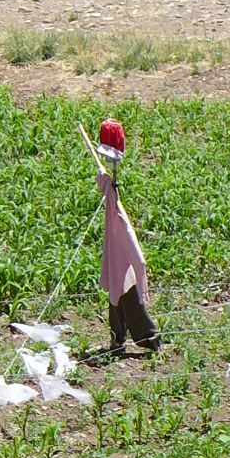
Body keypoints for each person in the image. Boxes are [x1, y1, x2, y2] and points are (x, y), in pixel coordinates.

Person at [96, 119, 160, 354]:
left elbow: (134, 251)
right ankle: (118, 340)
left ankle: (149, 338)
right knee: (118, 294)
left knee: (126, 291)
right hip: (117, 256)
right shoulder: (112, 202)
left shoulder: (118, 214)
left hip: (122, 256)